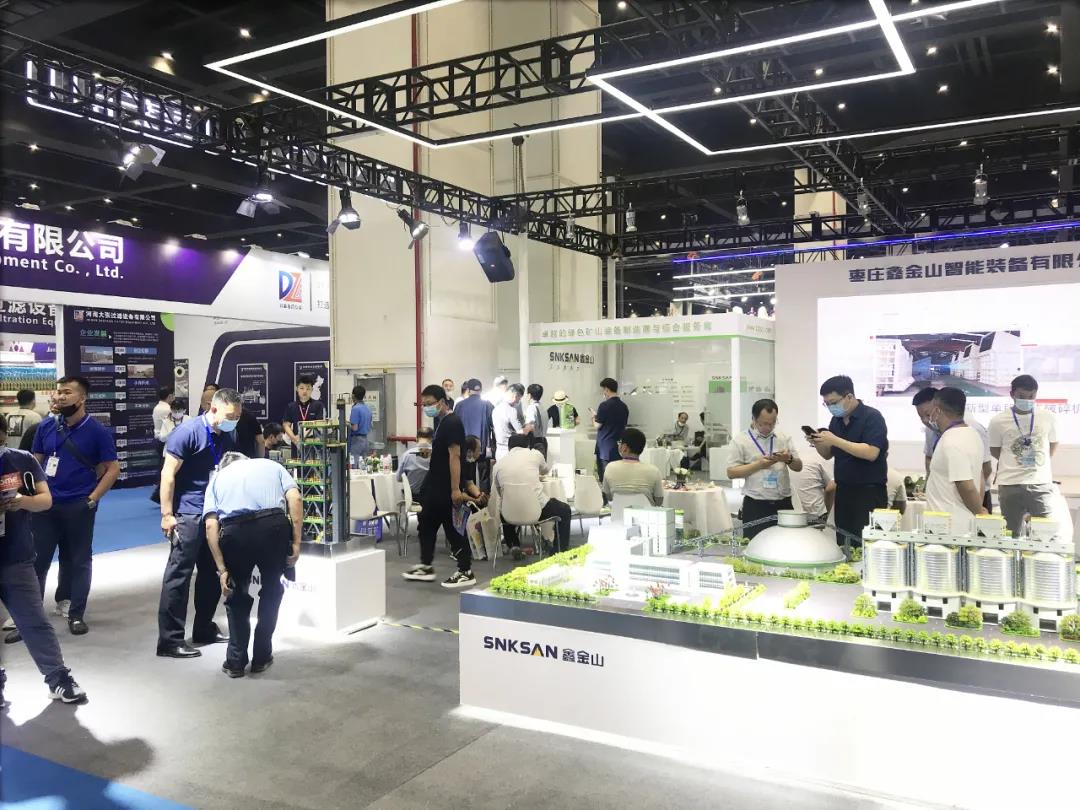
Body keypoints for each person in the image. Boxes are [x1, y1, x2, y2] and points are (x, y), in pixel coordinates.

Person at [0, 415, 87, 704]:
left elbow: (45, 500)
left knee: (34, 621)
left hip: (16, 557)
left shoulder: (22, 460)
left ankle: (58, 678)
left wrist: (21, 502)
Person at [156, 387, 241, 658]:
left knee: (211, 572)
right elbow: (168, 475)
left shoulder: (229, 434)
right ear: (213, 409)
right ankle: (170, 640)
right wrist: (167, 515)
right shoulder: (187, 432)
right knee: (179, 575)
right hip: (187, 514)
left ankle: (204, 628)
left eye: (237, 417)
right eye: (230, 416)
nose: (234, 421)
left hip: (215, 513)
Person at [30, 376, 119, 634]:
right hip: (46, 506)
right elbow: (35, 463)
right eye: (58, 392)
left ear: (82, 398)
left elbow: (112, 469)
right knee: (37, 562)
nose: (60, 397)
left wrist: (92, 499)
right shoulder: (46, 426)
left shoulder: (97, 431)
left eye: (67, 392)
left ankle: (76, 614)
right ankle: (30, 617)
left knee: (79, 560)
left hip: (79, 506)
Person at [203, 452, 302, 678]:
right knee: (272, 590)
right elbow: (295, 499)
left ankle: (235, 662)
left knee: (236, 594)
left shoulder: (217, 479)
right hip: (273, 527)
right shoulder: (271, 465)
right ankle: (262, 655)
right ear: (246, 460)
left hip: (234, 532)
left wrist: (222, 569)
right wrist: (296, 542)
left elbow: (210, 527)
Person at [401, 385, 475, 589]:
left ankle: (465, 570)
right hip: (435, 485)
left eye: (429, 404)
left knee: (452, 528)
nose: (426, 408)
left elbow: (455, 456)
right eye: (423, 404)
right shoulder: (442, 423)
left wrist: (455, 489)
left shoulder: (452, 423)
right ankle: (426, 565)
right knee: (426, 522)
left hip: (446, 486)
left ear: (441, 402)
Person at [809, 375, 889, 547]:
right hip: (843, 491)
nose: (831, 407)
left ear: (849, 397)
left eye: (833, 402)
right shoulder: (836, 421)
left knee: (868, 544)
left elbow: (871, 452)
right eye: (826, 404)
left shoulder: (872, 417)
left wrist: (835, 440)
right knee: (844, 543)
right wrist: (818, 443)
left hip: (869, 492)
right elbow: (828, 454)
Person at [988, 374, 1057, 536]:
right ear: (1012, 394)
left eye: (1031, 396)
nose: (1027, 400)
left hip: (1039, 483)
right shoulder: (998, 420)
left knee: (1044, 534)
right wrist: (1015, 460)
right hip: (1009, 483)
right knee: (1011, 534)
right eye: (1022, 396)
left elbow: (1053, 445)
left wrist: (1037, 461)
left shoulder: (1048, 417)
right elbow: (995, 450)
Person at [726, 399, 803, 539]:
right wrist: (759, 465)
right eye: (763, 423)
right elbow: (731, 473)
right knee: (755, 544)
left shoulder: (783, 438)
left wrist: (788, 459)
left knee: (786, 543)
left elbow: (799, 467)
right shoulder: (740, 440)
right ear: (754, 419)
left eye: (772, 423)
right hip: (756, 504)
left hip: (783, 502)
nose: (768, 427)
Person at [913, 387, 993, 512]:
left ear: (937, 410)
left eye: (929, 414)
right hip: (954, 514)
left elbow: (966, 486)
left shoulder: (953, 440)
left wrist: (979, 512)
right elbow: (980, 475)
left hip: (950, 517)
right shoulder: (970, 433)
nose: (926, 420)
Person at [493, 433, 572, 556]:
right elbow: (545, 470)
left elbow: (499, 492)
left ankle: (513, 544)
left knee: (504, 509)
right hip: (536, 509)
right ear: (527, 445)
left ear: (509, 448)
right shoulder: (535, 454)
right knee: (565, 510)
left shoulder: (498, 464)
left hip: (510, 513)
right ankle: (559, 549)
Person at [601, 427, 664, 506]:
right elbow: (659, 501)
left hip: (618, 513)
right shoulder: (654, 471)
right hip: (645, 513)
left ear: (624, 447)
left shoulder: (610, 467)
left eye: (619, 442)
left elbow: (609, 497)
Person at [454, 379, 495, 488]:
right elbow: (494, 426)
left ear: (468, 390)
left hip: (466, 447)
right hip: (483, 447)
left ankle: (471, 497)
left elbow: (455, 427)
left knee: (468, 478)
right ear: (481, 390)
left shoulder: (460, 406)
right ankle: (485, 497)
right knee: (484, 477)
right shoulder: (487, 405)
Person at [591, 377, 629, 481]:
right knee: (617, 479)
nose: (603, 393)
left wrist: (594, 417)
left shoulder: (604, 405)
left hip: (604, 449)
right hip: (619, 448)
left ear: (607, 389)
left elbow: (597, 425)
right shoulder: (624, 407)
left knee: (605, 480)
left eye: (603, 390)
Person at [282, 375, 326, 448]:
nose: (305, 391)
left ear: (312, 389)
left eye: (308, 388)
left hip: (314, 445)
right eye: (302, 388)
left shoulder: (318, 405)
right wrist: (294, 438)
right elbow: (286, 425)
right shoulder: (291, 406)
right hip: (296, 444)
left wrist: (303, 437)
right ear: (297, 389)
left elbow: (320, 425)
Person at [792, 456, 835, 524]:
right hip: (816, 517)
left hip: (789, 515)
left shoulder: (790, 454)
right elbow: (831, 488)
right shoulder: (825, 458)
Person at [395, 428, 433, 500]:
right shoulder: (439, 455)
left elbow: (399, 478)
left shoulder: (407, 455)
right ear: (432, 439)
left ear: (416, 439)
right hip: (433, 498)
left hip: (413, 498)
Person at [492, 383, 525, 461]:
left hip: (498, 448)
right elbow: (520, 431)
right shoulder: (511, 410)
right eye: (519, 399)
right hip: (509, 449)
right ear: (515, 396)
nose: (518, 402)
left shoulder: (496, 408)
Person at [348, 384, 373, 459]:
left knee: (355, 464)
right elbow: (370, 425)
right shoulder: (367, 408)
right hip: (365, 441)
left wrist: (346, 424)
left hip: (356, 442)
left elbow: (355, 428)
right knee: (364, 463)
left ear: (353, 396)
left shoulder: (355, 409)